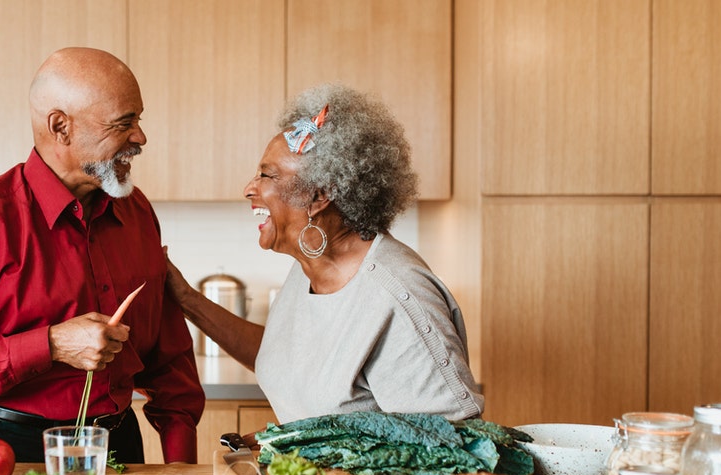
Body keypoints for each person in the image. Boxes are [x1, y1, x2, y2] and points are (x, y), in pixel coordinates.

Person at [0, 47, 204, 464]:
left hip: (119, 448)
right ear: (60, 126)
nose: (140, 137)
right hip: (4, 454)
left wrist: (180, 464)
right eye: (123, 123)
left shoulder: (137, 213)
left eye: (138, 119)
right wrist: (51, 344)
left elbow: (168, 359)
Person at [165, 83, 483, 424]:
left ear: (319, 197)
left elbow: (454, 445)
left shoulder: (396, 297)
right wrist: (185, 298)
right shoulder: (309, 267)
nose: (249, 189)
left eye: (266, 175)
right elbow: (281, 355)